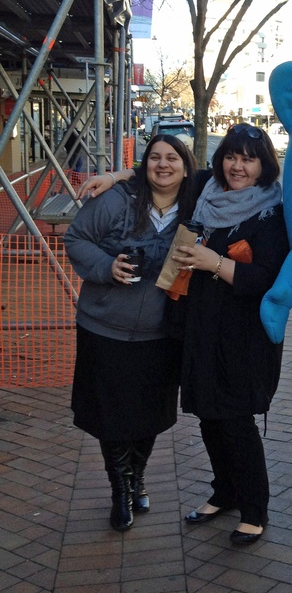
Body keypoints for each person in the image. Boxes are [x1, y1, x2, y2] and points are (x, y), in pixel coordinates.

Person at [64, 135, 198, 531]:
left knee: (150, 415)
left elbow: (235, 175)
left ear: (186, 166)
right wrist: (108, 267)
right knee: (111, 416)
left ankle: (137, 477)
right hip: (105, 328)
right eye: (154, 157)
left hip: (161, 333)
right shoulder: (116, 201)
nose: (163, 165)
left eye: (172, 158)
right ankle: (120, 490)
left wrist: (118, 171)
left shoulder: (195, 203)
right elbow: (76, 238)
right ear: (144, 165)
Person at [174, 124, 289, 545]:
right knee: (208, 414)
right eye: (231, 156)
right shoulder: (206, 192)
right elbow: (158, 169)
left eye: (248, 158)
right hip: (202, 324)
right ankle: (224, 491)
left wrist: (212, 262)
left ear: (263, 166)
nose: (238, 166)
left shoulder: (272, 212)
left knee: (236, 419)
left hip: (243, 334)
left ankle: (254, 508)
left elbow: (266, 277)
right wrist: (114, 176)